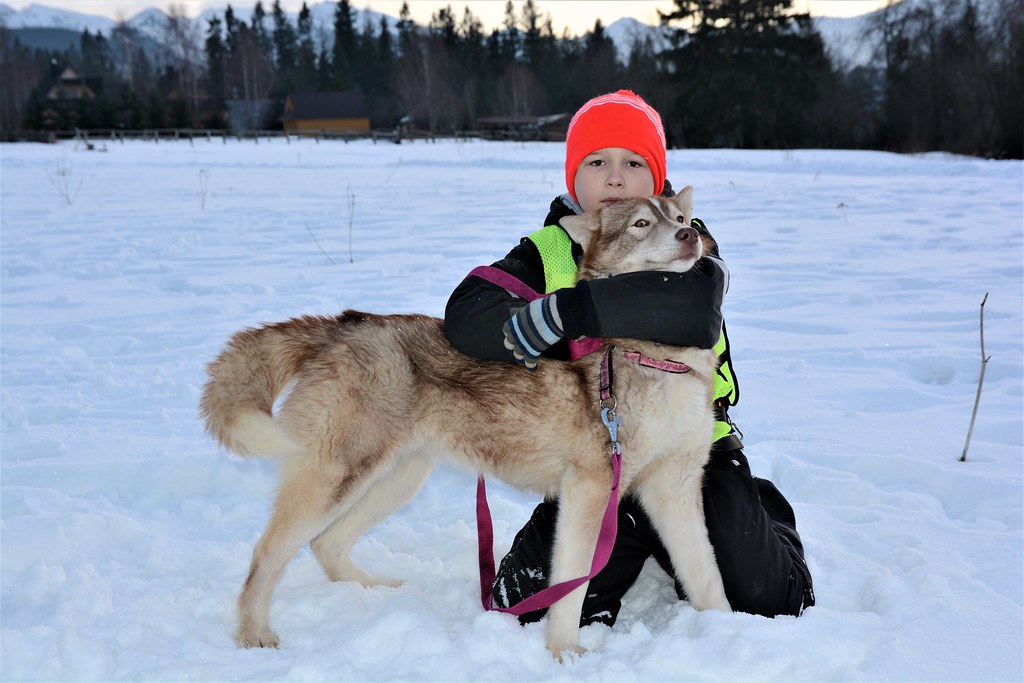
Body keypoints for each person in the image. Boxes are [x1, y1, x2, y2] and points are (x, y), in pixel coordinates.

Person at [444, 90, 814, 627]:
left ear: (657, 179)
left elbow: (688, 309)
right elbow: (467, 316)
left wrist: (564, 313)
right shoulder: (549, 248)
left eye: (633, 163)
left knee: (766, 600)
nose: (614, 178)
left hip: (692, 453)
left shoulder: (688, 238)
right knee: (524, 610)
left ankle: (756, 506)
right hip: (598, 454)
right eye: (597, 163)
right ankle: (632, 530)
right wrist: (526, 331)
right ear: (575, 179)